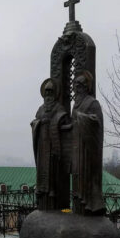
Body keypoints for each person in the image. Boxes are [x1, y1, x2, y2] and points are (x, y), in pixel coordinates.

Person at [31, 78, 71, 210]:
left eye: (50, 92)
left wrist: (56, 122)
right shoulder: (41, 109)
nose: (48, 95)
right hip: (42, 146)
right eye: (46, 92)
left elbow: (64, 119)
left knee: (53, 170)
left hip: (53, 144)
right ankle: (42, 194)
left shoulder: (58, 107)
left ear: (54, 93)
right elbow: (35, 121)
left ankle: (53, 195)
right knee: (42, 170)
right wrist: (37, 123)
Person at [71, 71, 106, 215]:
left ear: (86, 87)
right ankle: (76, 205)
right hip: (76, 147)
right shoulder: (75, 105)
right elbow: (73, 123)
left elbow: (97, 122)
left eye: (80, 85)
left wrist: (82, 117)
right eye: (75, 85)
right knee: (77, 175)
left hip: (87, 148)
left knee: (86, 176)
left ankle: (90, 205)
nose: (77, 88)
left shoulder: (92, 103)